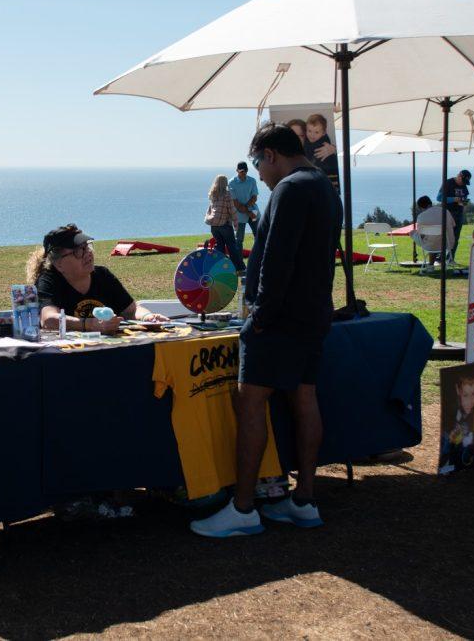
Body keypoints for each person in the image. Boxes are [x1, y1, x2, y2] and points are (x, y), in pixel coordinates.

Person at [190, 122, 341, 538]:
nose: (258, 173)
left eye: (259, 163)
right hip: (313, 313)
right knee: (304, 397)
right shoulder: (326, 188)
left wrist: (260, 319)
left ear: (271, 154)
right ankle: (304, 500)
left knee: (250, 402)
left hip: (280, 318)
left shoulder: (290, 189)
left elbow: (277, 261)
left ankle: (242, 509)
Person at [27, 224, 167, 334]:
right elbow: (48, 320)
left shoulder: (103, 275)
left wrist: (148, 318)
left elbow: (131, 310)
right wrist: (89, 325)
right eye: (78, 251)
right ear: (58, 264)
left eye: (87, 247)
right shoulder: (48, 281)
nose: (88, 253)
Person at [205, 175, 247, 274]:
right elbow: (232, 210)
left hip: (214, 225)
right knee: (232, 247)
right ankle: (240, 268)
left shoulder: (213, 194)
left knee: (220, 248)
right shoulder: (227, 194)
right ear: (225, 183)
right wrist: (236, 223)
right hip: (224, 225)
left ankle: (221, 269)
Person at [436, 169, 471, 258]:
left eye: (465, 182)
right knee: (444, 236)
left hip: (458, 214)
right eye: (463, 181)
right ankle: (440, 257)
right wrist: (453, 199)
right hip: (447, 213)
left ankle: (451, 257)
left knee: (455, 237)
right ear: (459, 176)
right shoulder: (448, 183)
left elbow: (464, 198)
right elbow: (439, 198)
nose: (463, 184)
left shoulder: (464, 186)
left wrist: (463, 202)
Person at [411, 195, 456, 263]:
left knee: (413, 233)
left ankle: (431, 265)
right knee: (435, 238)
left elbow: (421, 235)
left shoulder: (421, 216)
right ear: (430, 203)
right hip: (447, 243)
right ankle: (439, 261)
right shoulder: (445, 211)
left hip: (431, 245)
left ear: (421, 208)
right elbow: (453, 225)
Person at [303, 114, 340, 192]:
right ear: (306, 130)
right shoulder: (306, 140)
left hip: (324, 175)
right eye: (309, 131)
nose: (312, 135)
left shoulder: (323, 145)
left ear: (323, 133)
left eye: (316, 132)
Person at [228, 161, 260, 248]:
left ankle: (258, 258)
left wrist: (248, 210)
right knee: (239, 239)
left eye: (245, 171)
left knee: (259, 235)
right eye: (241, 171)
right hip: (239, 214)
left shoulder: (252, 181)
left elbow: (254, 197)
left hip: (253, 211)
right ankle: (239, 261)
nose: (244, 173)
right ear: (237, 170)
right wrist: (248, 212)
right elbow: (236, 203)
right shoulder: (231, 183)